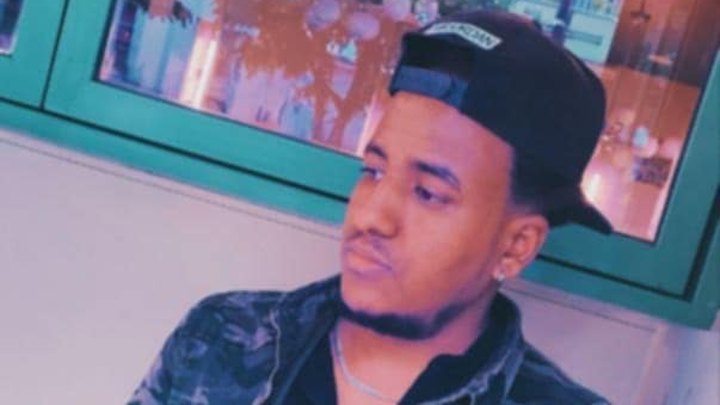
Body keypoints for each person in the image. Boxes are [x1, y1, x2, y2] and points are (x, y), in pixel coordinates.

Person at [128, 10, 614, 405]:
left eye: (429, 193)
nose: (370, 217)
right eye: (373, 171)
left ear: (516, 246)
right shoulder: (220, 339)